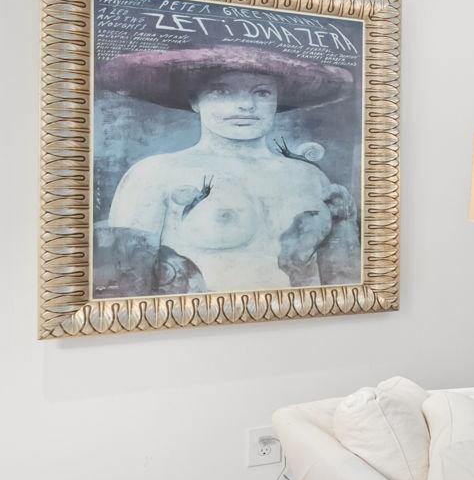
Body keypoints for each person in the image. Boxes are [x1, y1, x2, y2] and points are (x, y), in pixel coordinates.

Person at [94, 44, 359, 296]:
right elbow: (124, 284)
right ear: (195, 101)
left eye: (261, 93)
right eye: (222, 91)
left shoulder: (311, 178)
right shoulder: (154, 174)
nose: (246, 105)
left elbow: (343, 277)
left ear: (278, 101)